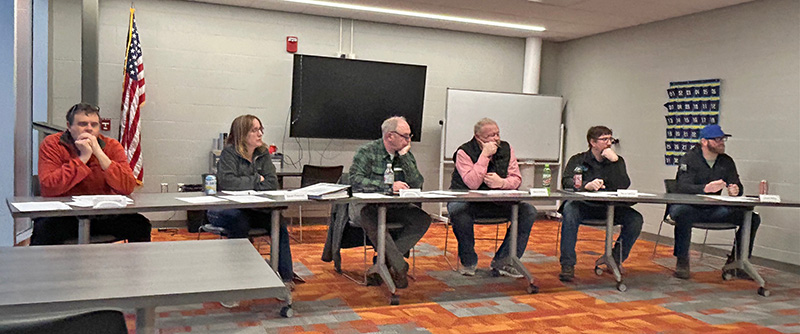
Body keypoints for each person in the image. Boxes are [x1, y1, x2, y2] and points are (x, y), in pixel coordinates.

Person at [32, 103, 151, 245]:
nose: (89, 128)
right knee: (43, 230)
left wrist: (100, 154)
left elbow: (127, 186)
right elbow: (49, 187)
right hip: (64, 216)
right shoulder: (52, 144)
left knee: (140, 224)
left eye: (94, 125)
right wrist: (83, 158)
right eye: (83, 124)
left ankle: (134, 267)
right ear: (69, 127)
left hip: (103, 215)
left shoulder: (112, 145)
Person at [206, 114, 296, 286]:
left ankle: (284, 278)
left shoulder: (263, 154)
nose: (260, 134)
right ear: (242, 134)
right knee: (239, 221)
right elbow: (228, 183)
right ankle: (238, 278)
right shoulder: (229, 154)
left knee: (278, 223)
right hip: (226, 209)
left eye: (261, 129)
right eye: (254, 130)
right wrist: (257, 179)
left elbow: (271, 184)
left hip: (254, 208)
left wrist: (251, 182)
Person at [348, 116, 432, 289]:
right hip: (367, 207)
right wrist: (387, 186)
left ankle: (383, 263)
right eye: (405, 136)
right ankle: (399, 265)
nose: (409, 140)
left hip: (396, 206)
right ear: (390, 136)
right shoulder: (367, 152)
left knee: (422, 219)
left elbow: (417, 183)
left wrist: (406, 158)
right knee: (372, 219)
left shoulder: (405, 154)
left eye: (410, 136)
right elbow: (355, 180)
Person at [447, 118, 537, 277]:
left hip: (497, 201)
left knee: (528, 211)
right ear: (478, 137)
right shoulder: (463, 152)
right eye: (491, 136)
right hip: (467, 200)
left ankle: (504, 260)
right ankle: (468, 261)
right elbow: (472, 183)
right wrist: (484, 155)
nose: (496, 139)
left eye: (497, 134)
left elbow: (516, 179)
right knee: (457, 210)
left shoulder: (507, 148)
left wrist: (501, 183)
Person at [670, 124, 761, 279]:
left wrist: (736, 190)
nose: (722, 142)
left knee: (752, 218)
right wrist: (705, 188)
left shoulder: (726, 161)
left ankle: (737, 261)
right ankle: (682, 259)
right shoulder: (689, 159)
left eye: (723, 139)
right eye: (717, 139)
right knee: (681, 213)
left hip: (714, 209)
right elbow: (682, 186)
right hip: (691, 207)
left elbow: (737, 184)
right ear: (704, 142)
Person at [558, 126, 643, 282]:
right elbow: (567, 181)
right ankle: (567, 264)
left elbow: (624, 184)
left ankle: (615, 259)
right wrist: (586, 186)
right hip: (585, 206)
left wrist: (615, 162)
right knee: (570, 210)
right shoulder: (578, 160)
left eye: (610, 139)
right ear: (593, 142)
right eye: (605, 140)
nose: (609, 143)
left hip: (610, 207)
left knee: (635, 219)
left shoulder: (616, 161)